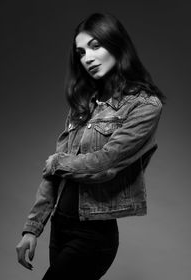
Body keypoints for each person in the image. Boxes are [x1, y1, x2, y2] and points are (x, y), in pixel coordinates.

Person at [16, 12, 165, 280]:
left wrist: (57, 162)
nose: (88, 58)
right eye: (81, 52)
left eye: (96, 46)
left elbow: (105, 164)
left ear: (117, 45)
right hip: (60, 226)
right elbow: (52, 178)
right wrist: (32, 229)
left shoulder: (145, 105)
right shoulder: (85, 103)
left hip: (94, 234)